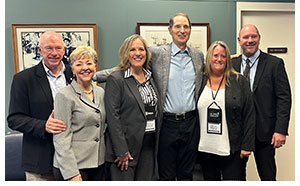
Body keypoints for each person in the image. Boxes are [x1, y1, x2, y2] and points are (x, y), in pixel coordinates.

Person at [94, 13, 204, 180]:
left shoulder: (198, 56)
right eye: (178, 27)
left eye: (186, 26)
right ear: (170, 30)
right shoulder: (158, 54)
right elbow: (126, 66)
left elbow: (213, 67)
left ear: (190, 29)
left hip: (191, 123)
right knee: (165, 174)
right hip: (167, 123)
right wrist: (91, 76)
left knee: (187, 174)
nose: (182, 30)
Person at [7, 31, 72, 181]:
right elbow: (14, 119)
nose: (54, 53)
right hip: (40, 162)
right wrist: (44, 126)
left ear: (64, 49)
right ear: (39, 50)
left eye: (58, 48)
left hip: (74, 160)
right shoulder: (23, 79)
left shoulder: (74, 74)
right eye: (49, 48)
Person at [232, 24, 292, 180]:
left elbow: (284, 98)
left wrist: (280, 130)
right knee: (236, 177)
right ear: (239, 40)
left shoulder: (274, 64)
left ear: (259, 38)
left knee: (268, 176)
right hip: (238, 133)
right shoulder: (232, 65)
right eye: (246, 37)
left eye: (254, 36)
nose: (250, 40)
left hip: (265, 132)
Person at [104, 34, 161, 180]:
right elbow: (112, 117)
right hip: (126, 150)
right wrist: (121, 150)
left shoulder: (150, 78)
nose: (137, 53)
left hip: (148, 146)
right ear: (125, 53)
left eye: (141, 49)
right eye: (132, 50)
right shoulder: (117, 79)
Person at [197, 41, 255, 180]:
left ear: (228, 59)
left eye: (223, 56)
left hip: (231, 150)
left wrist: (247, 145)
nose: (219, 59)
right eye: (215, 55)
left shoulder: (239, 81)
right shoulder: (200, 79)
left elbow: (249, 114)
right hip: (205, 149)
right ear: (209, 57)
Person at [52, 46, 106, 181]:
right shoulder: (64, 95)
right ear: (72, 69)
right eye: (79, 64)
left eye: (89, 63)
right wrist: (71, 173)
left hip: (98, 164)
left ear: (95, 66)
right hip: (74, 167)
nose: (85, 68)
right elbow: (61, 138)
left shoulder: (100, 92)